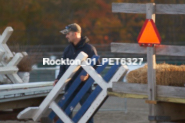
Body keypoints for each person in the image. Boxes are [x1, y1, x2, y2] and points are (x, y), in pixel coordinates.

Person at [53, 23, 98, 123]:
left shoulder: (89, 49)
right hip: (69, 87)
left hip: (84, 88)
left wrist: (87, 75)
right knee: (65, 114)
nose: (66, 36)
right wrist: (58, 78)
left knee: (87, 114)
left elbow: (96, 66)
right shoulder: (67, 49)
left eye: (68, 33)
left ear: (75, 34)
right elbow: (63, 67)